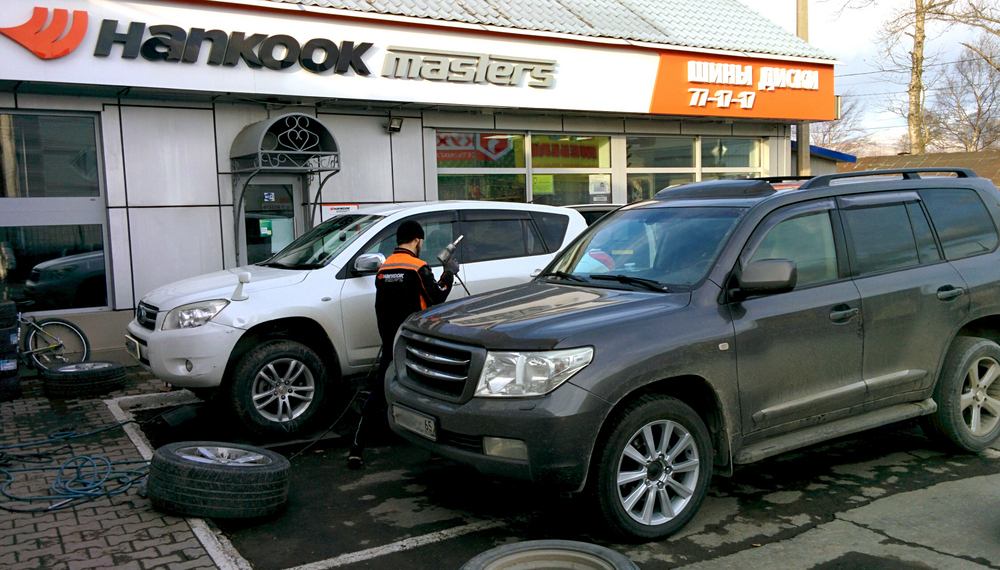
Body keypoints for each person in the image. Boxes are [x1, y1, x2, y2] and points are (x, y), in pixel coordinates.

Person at [349, 220, 457, 469]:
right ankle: (436, 450)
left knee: (377, 394)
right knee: (428, 395)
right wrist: (449, 273)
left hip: (390, 341)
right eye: (421, 242)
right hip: (415, 342)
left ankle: (356, 448)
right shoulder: (417, 267)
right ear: (417, 240)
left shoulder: (384, 268)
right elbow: (437, 296)